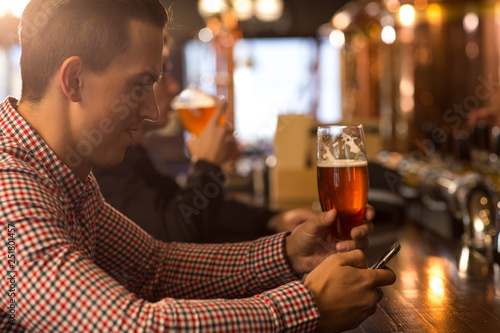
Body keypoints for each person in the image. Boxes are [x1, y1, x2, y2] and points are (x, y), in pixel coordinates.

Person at [0, 0, 396, 332]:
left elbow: (156, 267)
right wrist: (310, 306)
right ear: (74, 80)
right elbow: (133, 326)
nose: (153, 110)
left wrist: (291, 254)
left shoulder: (65, 176)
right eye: (139, 85)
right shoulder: (9, 185)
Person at [93, 41, 318, 243]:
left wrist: (274, 220)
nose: (174, 87)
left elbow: (202, 212)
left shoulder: (135, 156)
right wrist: (207, 163)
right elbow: (172, 237)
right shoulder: (104, 164)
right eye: (159, 77)